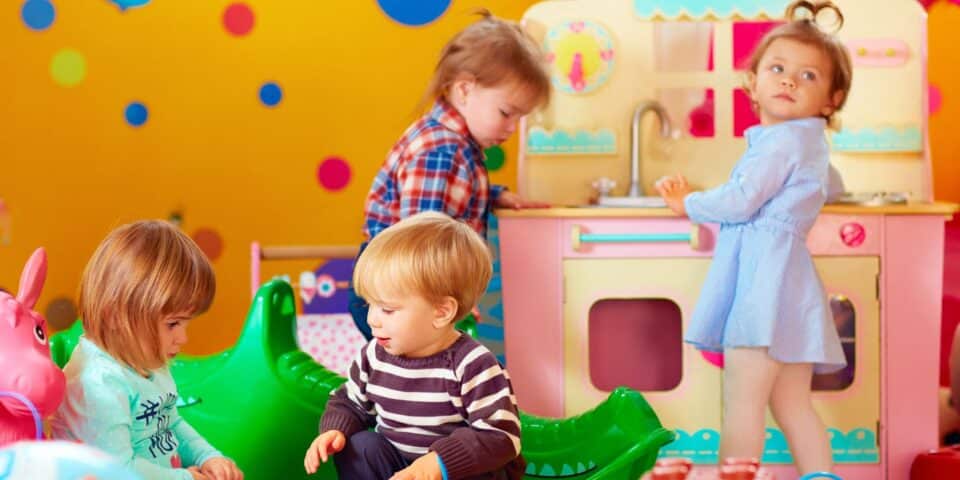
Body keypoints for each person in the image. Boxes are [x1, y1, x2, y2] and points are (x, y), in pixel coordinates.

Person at [655, 1, 854, 474]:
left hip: (763, 288)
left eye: (808, 76)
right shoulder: (808, 143)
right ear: (755, 82)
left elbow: (742, 199)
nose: (788, 80)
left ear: (831, 99)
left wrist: (691, 203)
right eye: (778, 69)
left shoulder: (782, 141)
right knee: (794, 407)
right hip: (791, 290)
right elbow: (832, 184)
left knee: (743, 399)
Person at [349, 10, 552, 340]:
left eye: (520, 119)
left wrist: (493, 194)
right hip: (397, 295)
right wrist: (441, 298)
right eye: (506, 113)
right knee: (415, 380)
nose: (513, 128)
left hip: (408, 292)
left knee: (423, 378)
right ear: (464, 90)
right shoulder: (441, 151)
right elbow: (420, 240)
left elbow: (451, 200)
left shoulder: (458, 147)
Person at [305, 212, 524, 479]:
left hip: (453, 471)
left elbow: (501, 435)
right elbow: (349, 403)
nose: (372, 319)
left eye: (387, 309)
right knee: (360, 447)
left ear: (441, 312)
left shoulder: (473, 365)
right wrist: (335, 430)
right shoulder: (374, 356)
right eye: (369, 305)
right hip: (399, 466)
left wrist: (437, 463)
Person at [51, 220, 243, 480]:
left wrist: (208, 456)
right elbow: (117, 470)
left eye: (185, 323)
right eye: (173, 324)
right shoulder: (98, 385)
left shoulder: (145, 359)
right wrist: (186, 478)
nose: (183, 338)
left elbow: (171, 423)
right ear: (115, 317)